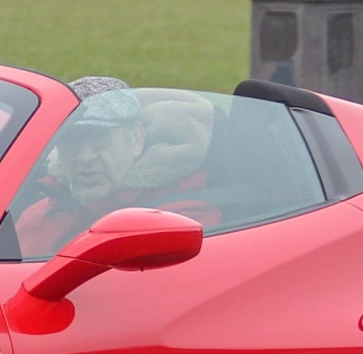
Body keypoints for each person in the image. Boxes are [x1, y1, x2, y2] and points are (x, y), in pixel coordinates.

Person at [14, 78, 221, 259]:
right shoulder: (37, 216)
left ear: (137, 139)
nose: (85, 157)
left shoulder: (184, 224)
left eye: (99, 138)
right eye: (71, 141)